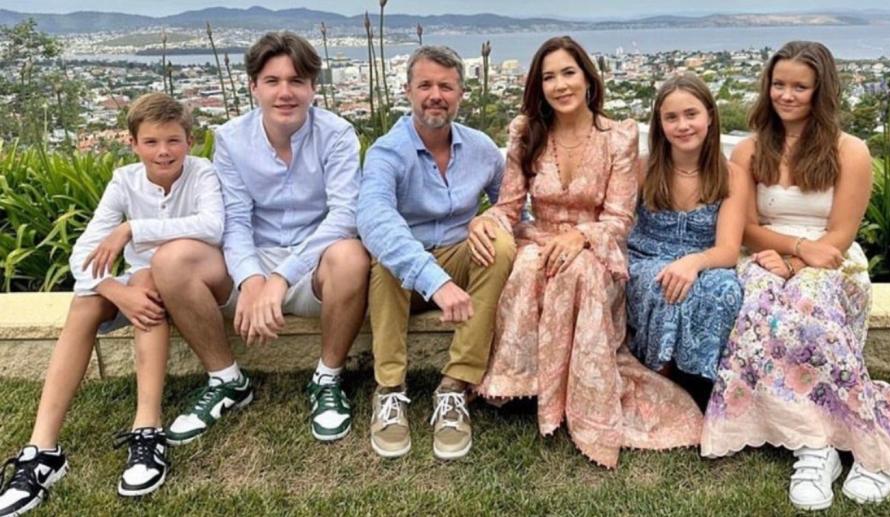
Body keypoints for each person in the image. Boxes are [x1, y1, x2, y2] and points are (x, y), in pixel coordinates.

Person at [700, 41, 890, 510]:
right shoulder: (750, 150)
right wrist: (788, 253)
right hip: (770, 252)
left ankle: (868, 441)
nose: (786, 95)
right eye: (779, 84)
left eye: (800, 87)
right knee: (759, 308)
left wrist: (800, 260)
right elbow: (746, 226)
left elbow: (841, 234)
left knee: (809, 310)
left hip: (831, 258)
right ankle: (814, 443)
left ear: (820, 91)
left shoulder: (849, 151)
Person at [474, 36, 703, 469]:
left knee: (576, 269)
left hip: (596, 247)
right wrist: (485, 222)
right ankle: (525, 384)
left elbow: (619, 218)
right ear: (538, 86)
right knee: (528, 264)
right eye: (548, 77)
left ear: (587, 78)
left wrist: (580, 237)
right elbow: (507, 207)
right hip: (537, 238)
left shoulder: (617, 136)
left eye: (568, 73)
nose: (560, 85)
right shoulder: (527, 132)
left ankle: (574, 397)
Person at [0, 93, 222, 514]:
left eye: (173, 141)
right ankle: (42, 449)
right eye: (152, 142)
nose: (164, 151)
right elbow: (82, 252)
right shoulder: (124, 181)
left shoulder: (202, 173)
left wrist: (132, 229)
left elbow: (212, 227)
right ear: (133, 143)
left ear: (190, 141)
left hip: (193, 280)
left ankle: (147, 429)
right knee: (88, 301)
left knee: (145, 277)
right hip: (141, 288)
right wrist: (115, 291)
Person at [151, 31, 369, 446]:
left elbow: (343, 215)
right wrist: (252, 279)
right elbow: (233, 220)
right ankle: (226, 379)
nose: (285, 92)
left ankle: (327, 378)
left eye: (296, 81)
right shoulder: (232, 138)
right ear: (253, 87)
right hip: (248, 261)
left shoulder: (338, 133)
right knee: (171, 260)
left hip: (313, 267)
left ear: (312, 88)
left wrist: (281, 278)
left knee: (352, 255)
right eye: (272, 81)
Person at [358, 45, 514, 460]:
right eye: (425, 85)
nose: (435, 95)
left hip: (459, 261)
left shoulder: (482, 149)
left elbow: (514, 206)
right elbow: (374, 218)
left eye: (446, 86)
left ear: (461, 93)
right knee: (388, 257)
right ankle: (389, 388)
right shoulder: (387, 152)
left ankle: (455, 386)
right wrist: (435, 281)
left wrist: (491, 216)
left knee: (498, 242)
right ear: (408, 91)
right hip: (408, 278)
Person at [625, 73, 748, 408]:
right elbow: (619, 224)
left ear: (709, 115)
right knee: (665, 285)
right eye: (672, 117)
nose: (683, 125)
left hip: (705, 260)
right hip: (646, 257)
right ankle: (661, 376)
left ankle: (705, 381)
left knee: (725, 289)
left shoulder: (730, 175)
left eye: (691, 114)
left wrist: (694, 262)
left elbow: (728, 250)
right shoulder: (643, 168)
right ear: (660, 125)